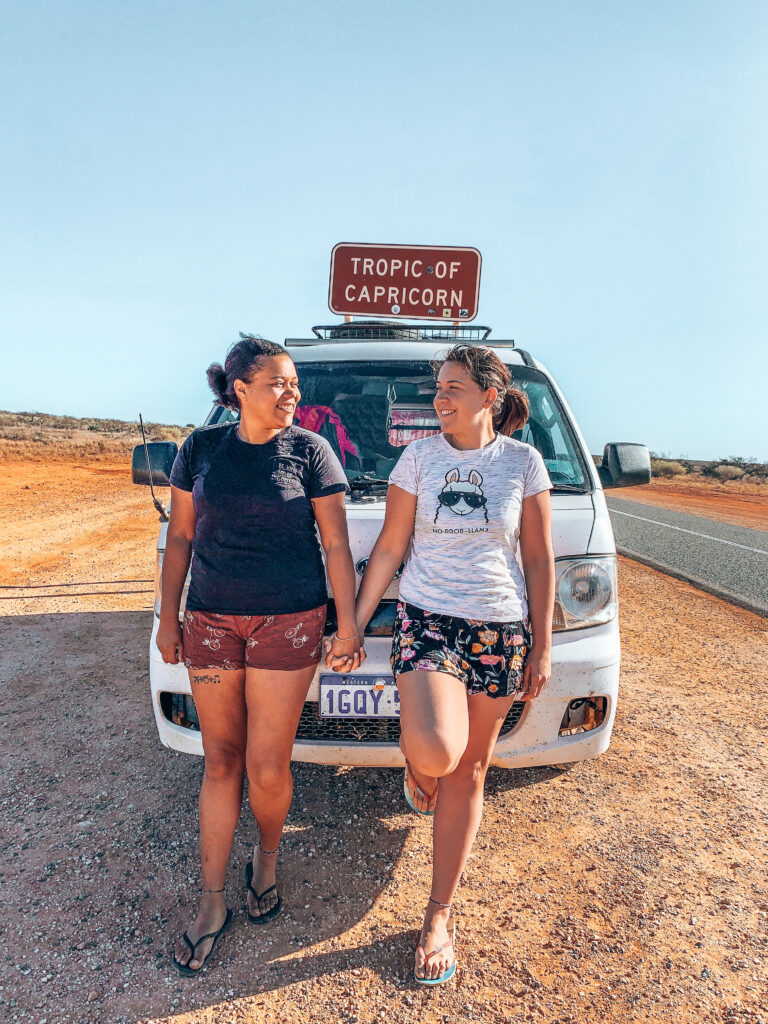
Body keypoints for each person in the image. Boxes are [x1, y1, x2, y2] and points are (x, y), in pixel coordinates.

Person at [348, 343, 554, 984]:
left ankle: (439, 913)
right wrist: (355, 620)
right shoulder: (418, 458)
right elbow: (390, 545)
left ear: (489, 396)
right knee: (437, 750)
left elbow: (540, 561)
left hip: (500, 626)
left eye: (453, 388)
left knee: (471, 768)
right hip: (429, 618)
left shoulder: (523, 462)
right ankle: (421, 772)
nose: (439, 399)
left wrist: (542, 645)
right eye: (438, 388)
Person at [159, 334, 364, 975]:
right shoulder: (201, 449)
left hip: (289, 624)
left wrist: (348, 624)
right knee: (220, 762)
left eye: (294, 384)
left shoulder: (311, 451)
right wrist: (169, 618)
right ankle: (213, 900)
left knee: (266, 766)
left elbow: (335, 545)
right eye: (280, 383)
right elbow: (182, 537)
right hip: (211, 623)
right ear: (240, 388)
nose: (292, 394)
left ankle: (267, 858)